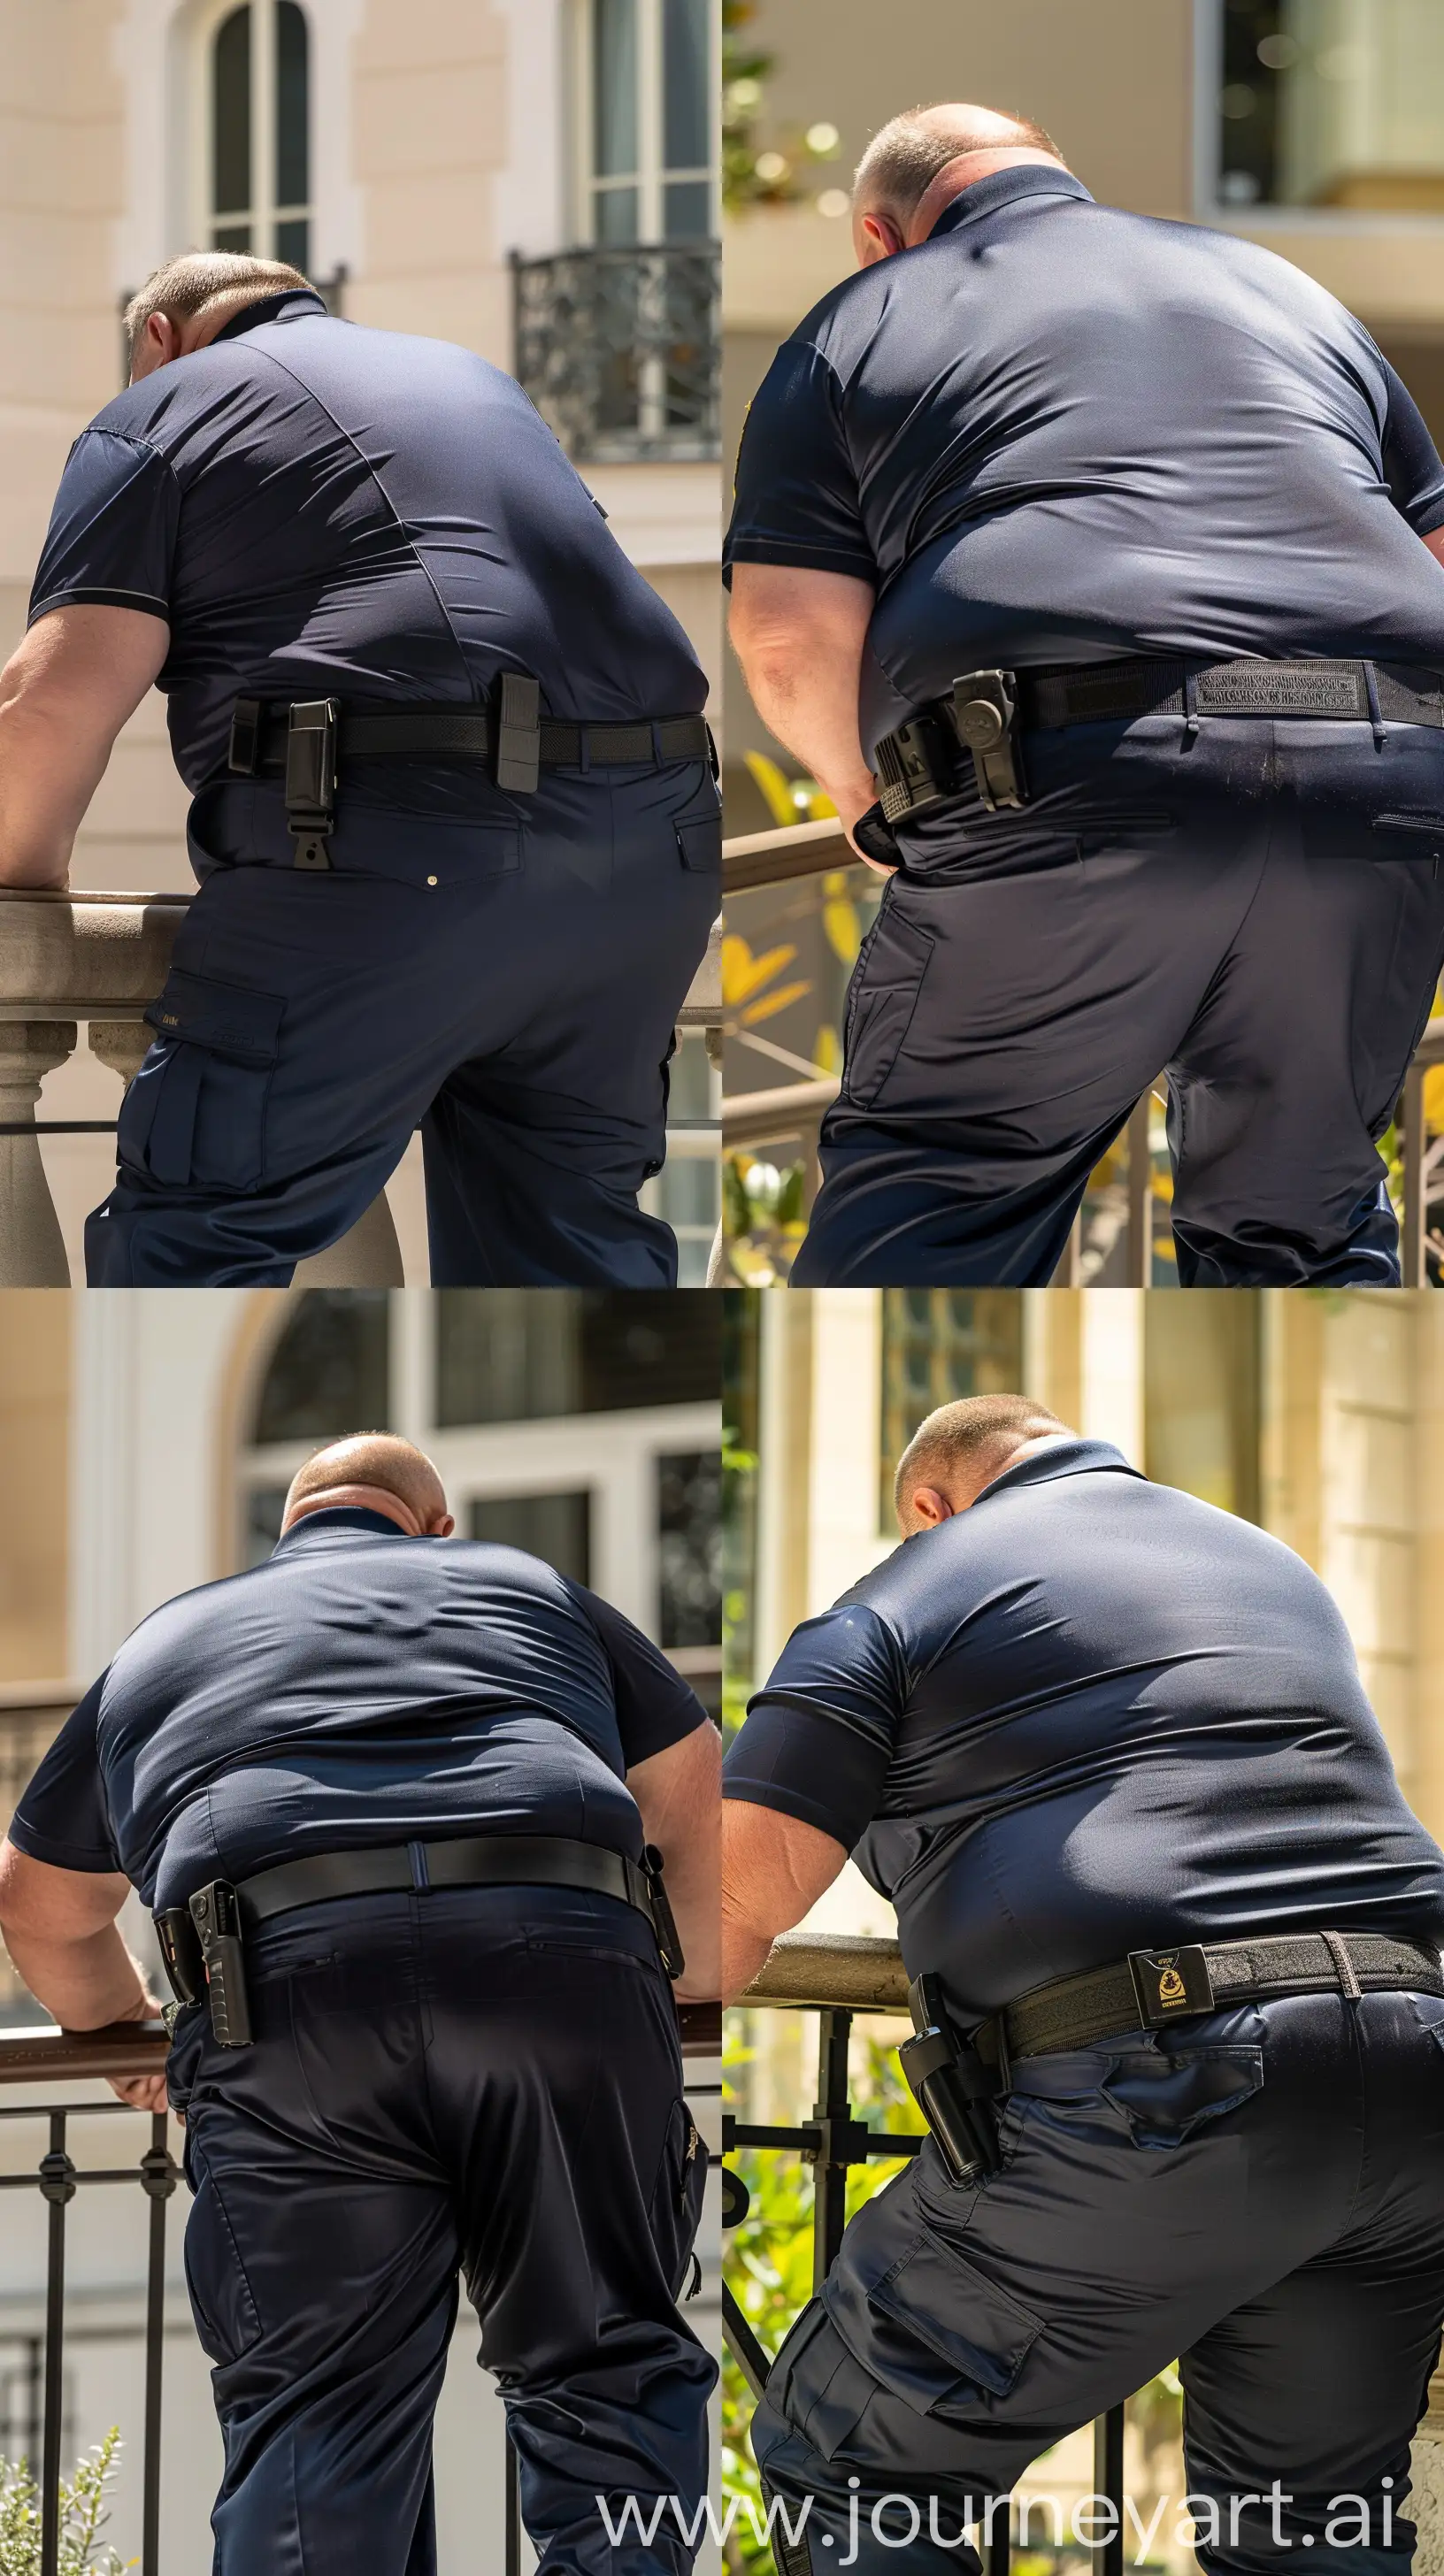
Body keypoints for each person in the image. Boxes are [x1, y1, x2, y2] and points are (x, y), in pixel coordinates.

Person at [721, 1394, 1444, 2574]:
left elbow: (733, 1910)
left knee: (848, 2463)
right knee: (1313, 2536)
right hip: (1416, 2080)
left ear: (927, 1504)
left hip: (1167, 2094)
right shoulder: (1268, 1564)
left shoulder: (905, 1598)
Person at [725, 104, 1444, 1289]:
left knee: (941, 1193)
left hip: (1063, 777)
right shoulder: (1284, 291)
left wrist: (865, 797)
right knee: (1302, 1232)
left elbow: (786, 638)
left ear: (878, 232)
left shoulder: (867, 314)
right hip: (1380, 776)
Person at [0, 1434, 719, 2576]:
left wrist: (122, 2034)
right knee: (607, 2374)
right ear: (435, 1530)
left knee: (318, 2421)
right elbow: (692, 1794)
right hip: (559, 1964)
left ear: (282, 1536)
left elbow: (39, 1910)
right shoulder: (528, 1586)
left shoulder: (169, 1641)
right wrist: (672, 1988)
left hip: (286, 2003)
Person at [0, 251, 719, 1287]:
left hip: (400, 854)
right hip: (650, 858)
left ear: (156, 339)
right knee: (567, 1259)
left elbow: (50, 703)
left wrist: (20, 896)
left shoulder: (158, 409)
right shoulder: (472, 380)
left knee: (197, 1239)